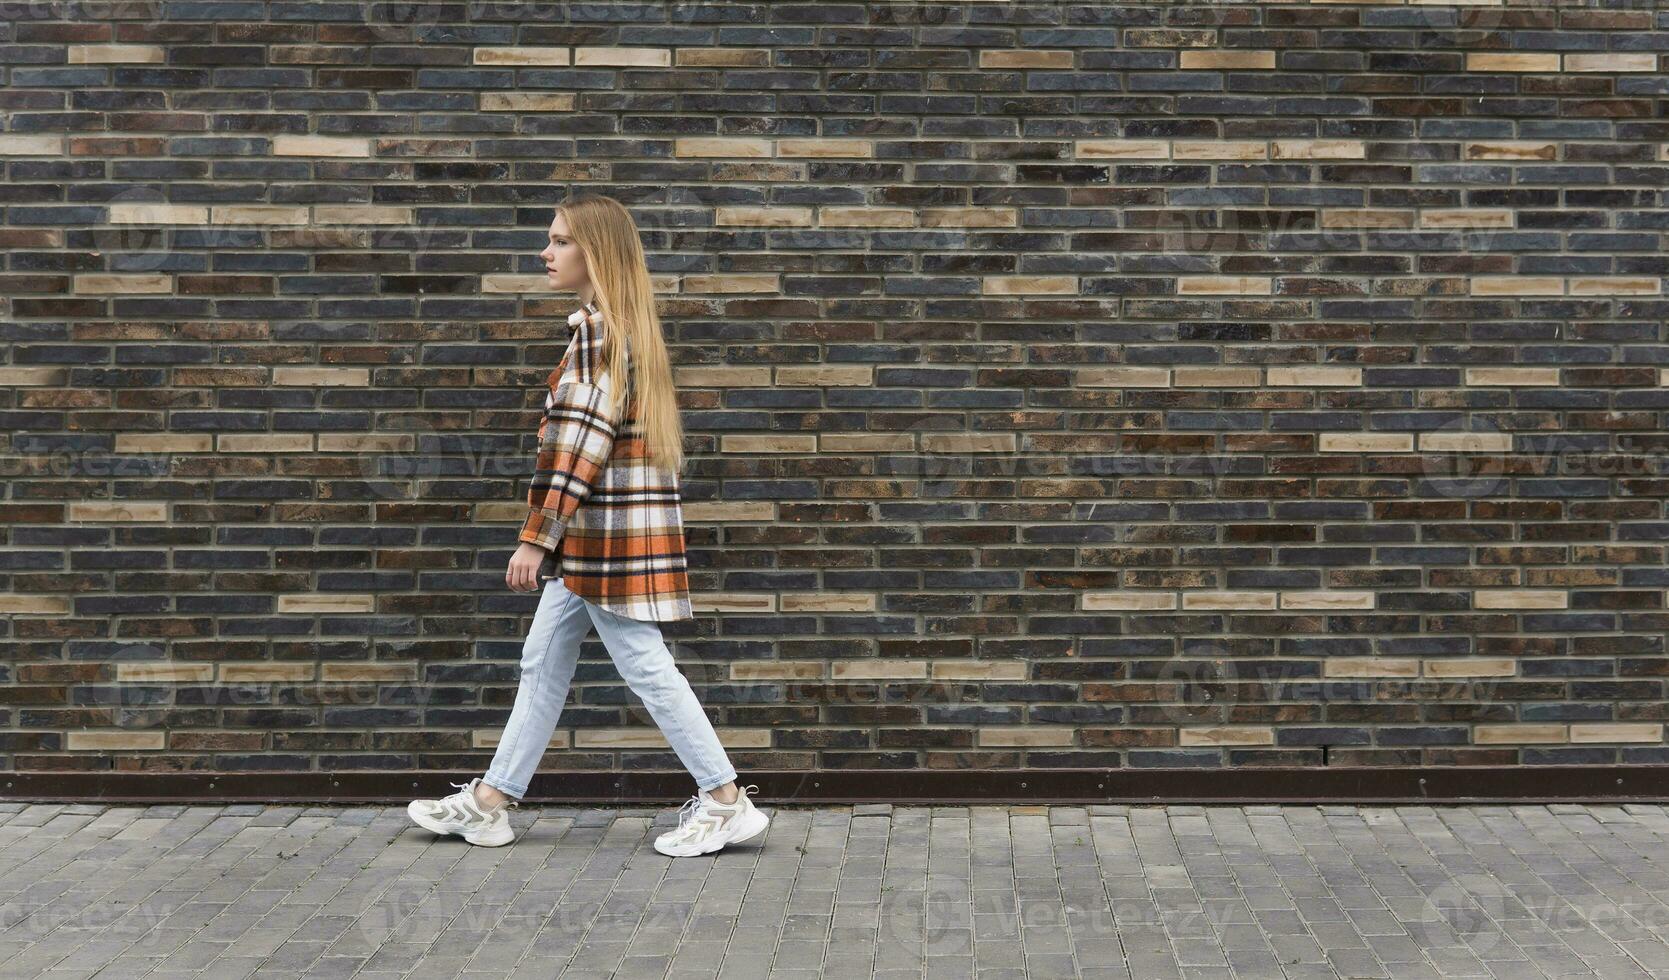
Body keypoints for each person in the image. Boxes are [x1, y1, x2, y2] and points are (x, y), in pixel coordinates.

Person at [407, 194, 768, 857]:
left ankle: (723, 799)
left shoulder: (597, 336)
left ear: (594, 252)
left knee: (645, 667)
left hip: (603, 546)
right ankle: (490, 803)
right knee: (541, 661)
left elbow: (575, 448)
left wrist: (534, 537)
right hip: (602, 544)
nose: (546, 253)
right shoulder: (622, 332)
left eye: (560, 241)